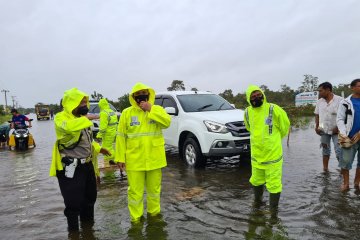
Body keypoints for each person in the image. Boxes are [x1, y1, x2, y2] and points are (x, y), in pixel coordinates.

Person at [49, 88, 110, 231]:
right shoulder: (60, 118)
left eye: (85, 101)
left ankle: (89, 230)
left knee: (90, 199)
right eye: (81, 102)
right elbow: (69, 128)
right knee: (73, 204)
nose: (85, 105)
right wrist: (88, 118)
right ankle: (74, 233)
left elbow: (87, 140)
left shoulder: (82, 120)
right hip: (70, 168)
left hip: (87, 166)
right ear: (71, 103)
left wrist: (99, 148)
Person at [115, 82, 171, 223]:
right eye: (138, 95)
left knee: (154, 191)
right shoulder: (126, 113)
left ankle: (154, 216)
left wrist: (150, 109)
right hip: (134, 160)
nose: (141, 96)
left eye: (144, 93)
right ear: (133, 97)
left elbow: (167, 122)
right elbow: (121, 137)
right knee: (135, 193)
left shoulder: (157, 109)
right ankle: (136, 220)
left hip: (155, 159)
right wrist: (120, 157)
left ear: (149, 95)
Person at [244, 85, 290, 216]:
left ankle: (273, 212)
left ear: (263, 95)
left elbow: (284, 127)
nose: (256, 98)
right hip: (256, 155)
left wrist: (272, 140)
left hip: (272, 155)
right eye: (253, 96)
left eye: (258, 95)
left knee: (274, 184)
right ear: (248, 98)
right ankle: (257, 203)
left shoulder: (273, 109)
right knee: (256, 180)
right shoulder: (247, 112)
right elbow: (249, 128)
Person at [337, 79, 360, 192]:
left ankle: (357, 181)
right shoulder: (345, 102)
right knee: (345, 161)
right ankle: (346, 183)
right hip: (349, 137)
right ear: (352, 87)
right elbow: (340, 119)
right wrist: (343, 134)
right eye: (359, 86)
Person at [314, 82, 343, 172]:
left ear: (328, 90)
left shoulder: (340, 100)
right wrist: (317, 127)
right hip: (324, 130)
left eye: (321, 91)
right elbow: (317, 115)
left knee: (339, 151)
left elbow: (345, 116)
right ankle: (325, 169)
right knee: (325, 149)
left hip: (336, 131)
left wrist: (338, 128)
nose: (319, 93)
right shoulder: (319, 101)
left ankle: (343, 170)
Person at [96, 98, 118, 164]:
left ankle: (110, 161)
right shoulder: (111, 111)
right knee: (110, 146)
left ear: (100, 105)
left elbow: (103, 127)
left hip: (107, 133)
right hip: (113, 132)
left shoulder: (103, 113)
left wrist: (99, 135)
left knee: (106, 148)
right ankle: (113, 159)